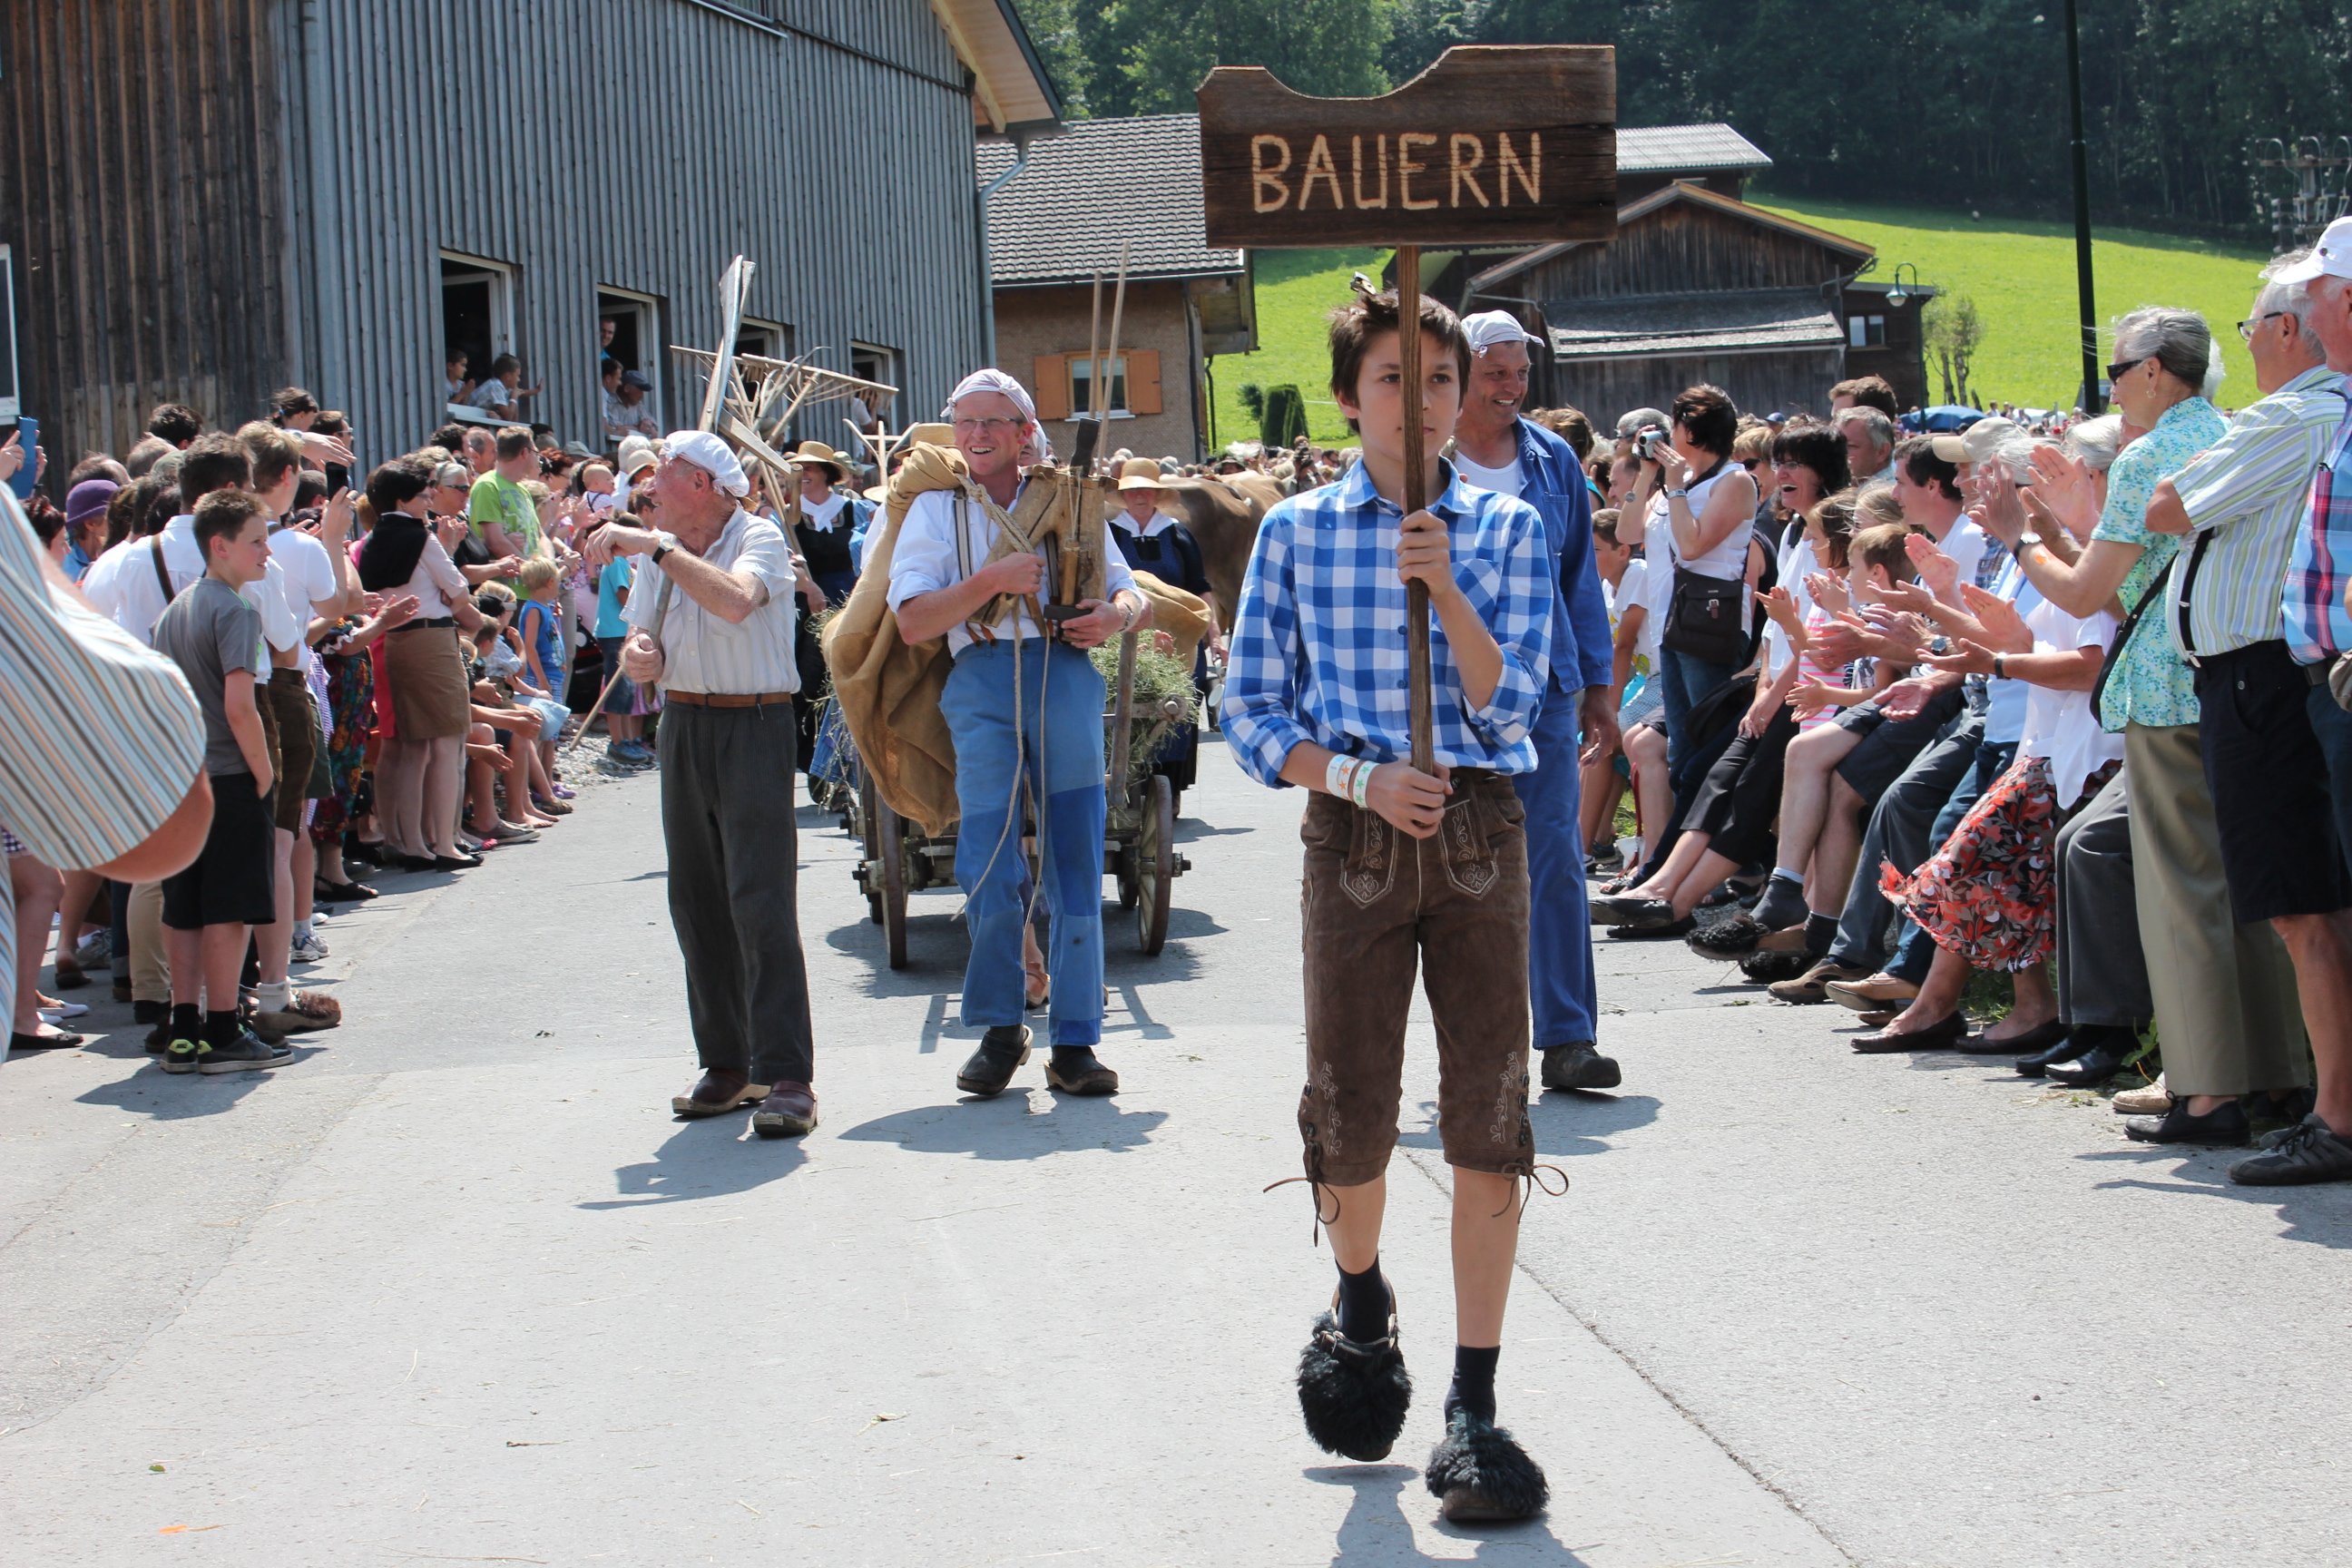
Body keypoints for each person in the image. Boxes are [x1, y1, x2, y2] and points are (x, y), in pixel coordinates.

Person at [1222, 286, 1555, 1522]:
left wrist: (1447, 587)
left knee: (1489, 1116)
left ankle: (1475, 1406)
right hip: (1355, 836)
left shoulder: (1507, 525)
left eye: (1437, 379)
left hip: (1479, 835)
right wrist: (1359, 777)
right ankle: (1361, 1294)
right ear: (1346, 398)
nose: (1416, 402)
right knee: (1351, 1115)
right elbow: (1250, 713)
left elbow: (1513, 704)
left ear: (1462, 394)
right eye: (1389, 379)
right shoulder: (1295, 532)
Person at [2120, 247, 2351, 1170]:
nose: (2246, 341)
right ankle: (2317, 1099)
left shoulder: (2298, 413)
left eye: (2253, 325)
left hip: (2261, 676)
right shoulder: (2309, 414)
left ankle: (2331, 1114)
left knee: (2299, 905)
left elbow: (2168, 505)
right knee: (2297, 903)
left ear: (2288, 328)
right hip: (2269, 673)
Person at [887, 371, 1148, 1100]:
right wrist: (990, 581)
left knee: (1076, 855)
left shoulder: (1069, 496)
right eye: (965, 421)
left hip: (1064, 675)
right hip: (980, 680)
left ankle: (1076, 1041)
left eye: (994, 421)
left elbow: (1130, 589)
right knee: (989, 857)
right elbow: (912, 621)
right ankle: (1002, 1029)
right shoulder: (937, 510)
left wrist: (1116, 616)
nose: (977, 434)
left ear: (1024, 432)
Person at [590, 432, 818, 1140]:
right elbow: (641, 640)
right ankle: (726, 1061)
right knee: (694, 896)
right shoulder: (663, 547)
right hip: (685, 721)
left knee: (760, 897)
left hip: (755, 722)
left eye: (661, 476)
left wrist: (657, 548)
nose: (648, 488)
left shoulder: (759, 538)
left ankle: (787, 1074)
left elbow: (736, 601)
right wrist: (640, 655)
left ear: (703, 486)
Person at [1450, 311, 1619, 1091]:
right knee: (1452, 859)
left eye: (1521, 373)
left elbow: (1580, 578)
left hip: (1543, 685)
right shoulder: (1420, 456)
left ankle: (1568, 1036)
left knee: (1552, 850)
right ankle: (1478, 1047)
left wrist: (1597, 686)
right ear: (1458, 372)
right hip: (1441, 687)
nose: (1513, 387)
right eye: (1497, 374)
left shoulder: (1553, 460)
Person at [149, 491, 293, 1074]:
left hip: (182, 779)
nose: (266, 552)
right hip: (228, 776)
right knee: (228, 911)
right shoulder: (237, 610)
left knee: (184, 908)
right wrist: (264, 774)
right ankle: (224, 1030)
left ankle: (184, 1031)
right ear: (220, 545)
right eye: (256, 541)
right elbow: (240, 705)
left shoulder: (174, 611)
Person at [1617, 387, 1759, 794]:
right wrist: (1648, 474)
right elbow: (1627, 533)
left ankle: (1713, 829)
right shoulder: (1676, 484)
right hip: (1670, 626)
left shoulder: (1734, 481)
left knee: (1708, 741)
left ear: (1692, 431)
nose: (1666, 435)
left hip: (1708, 626)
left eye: (1673, 425)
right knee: (1681, 748)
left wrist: (1676, 486)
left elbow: (1692, 546)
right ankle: (1685, 828)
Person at [358, 457, 489, 871]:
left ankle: (412, 842)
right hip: (430, 639)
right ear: (402, 500)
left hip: (395, 641)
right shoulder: (421, 537)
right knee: (448, 742)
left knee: (412, 747)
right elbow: (458, 590)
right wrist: (452, 596)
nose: (431, 496)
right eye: (423, 493)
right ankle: (444, 842)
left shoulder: (374, 539)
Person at [1106, 457, 1220, 805]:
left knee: (1176, 708)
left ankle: (1170, 791)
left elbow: (1200, 588)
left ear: (1157, 494)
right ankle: (1123, 781)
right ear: (1123, 496)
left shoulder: (1177, 533)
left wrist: (1215, 635)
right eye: (1132, 490)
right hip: (1126, 635)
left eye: (1147, 490)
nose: (1140, 496)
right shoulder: (1110, 533)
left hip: (1180, 636)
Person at [467, 355, 543, 422]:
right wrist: (513, 398)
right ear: (508, 376)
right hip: (469, 416)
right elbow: (508, 417)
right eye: (517, 376)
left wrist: (536, 390)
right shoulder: (496, 386)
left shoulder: (504, 386)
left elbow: (521, 392)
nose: (519, 380)